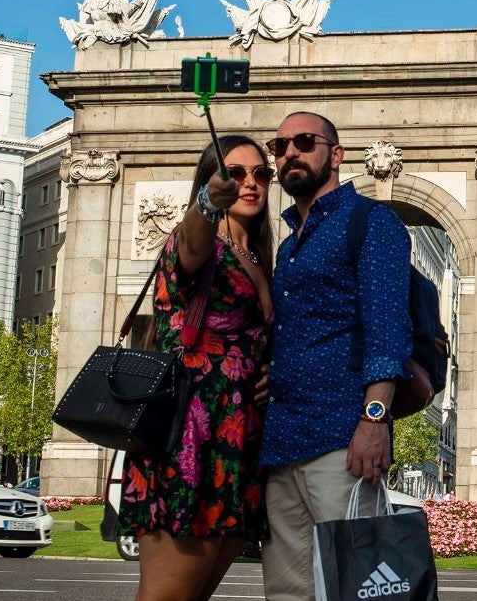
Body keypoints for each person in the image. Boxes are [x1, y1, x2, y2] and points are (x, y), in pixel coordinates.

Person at [260, 111, 413, 601]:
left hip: (341, 439)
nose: (290, 154)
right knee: (288, 590)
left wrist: (374, 420)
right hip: (282, 439)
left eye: (304, 142)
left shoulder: (371, 221)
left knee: (358, 587)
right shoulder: (289, 246)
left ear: (337, 154)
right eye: (279, 146)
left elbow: (387, 327)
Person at [115, 135, 275, 601]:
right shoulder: (200, 243)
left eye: (261, 173)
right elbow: (191, 244)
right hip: (189, 441)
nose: (250, 182)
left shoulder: (258, 257)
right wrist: (208, 202)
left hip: (237, 442)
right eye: (235, 172)